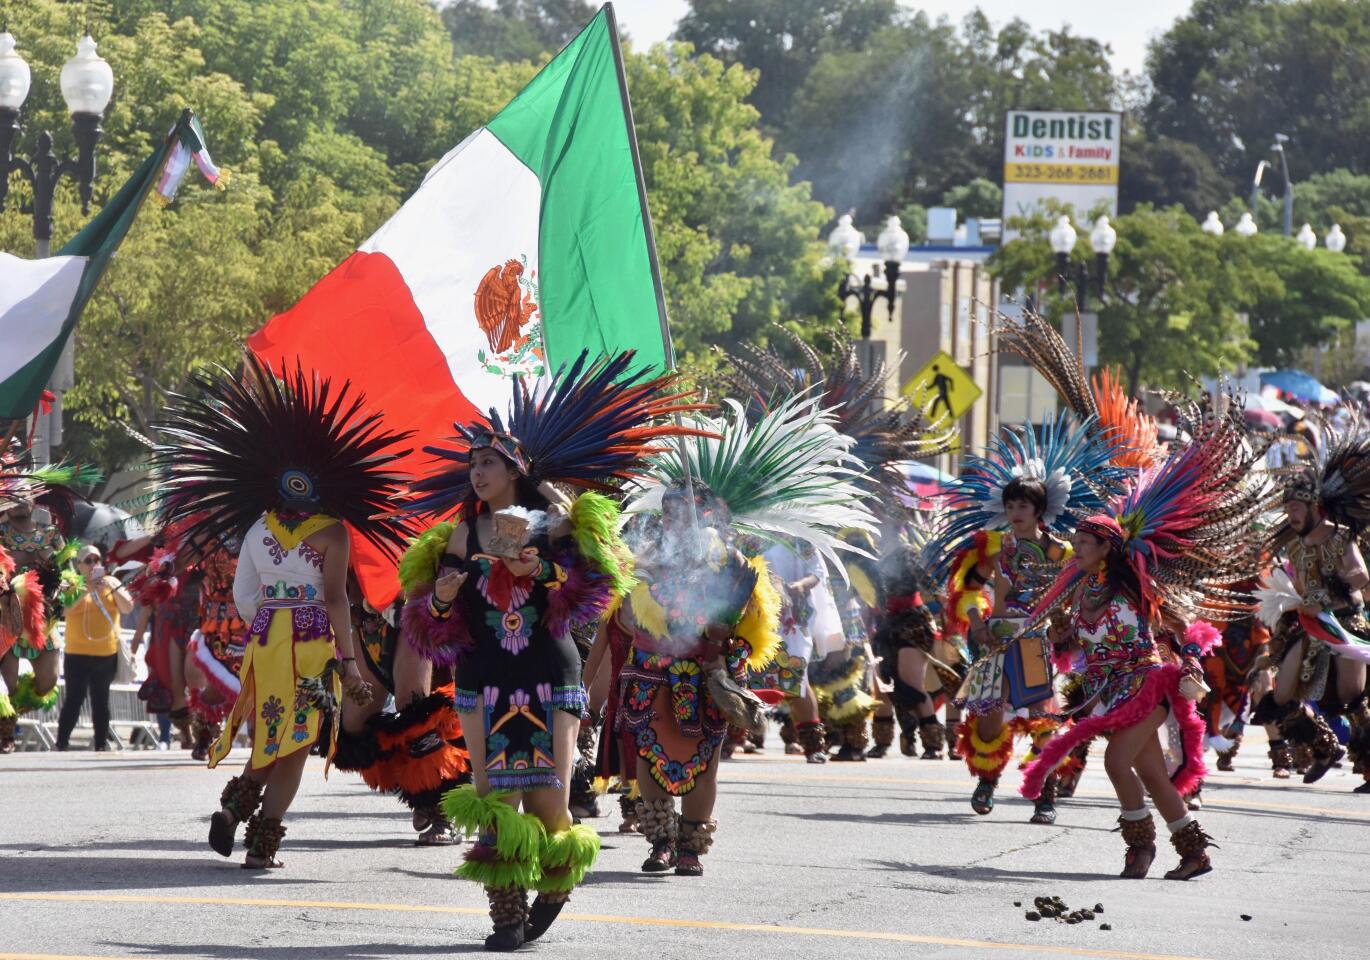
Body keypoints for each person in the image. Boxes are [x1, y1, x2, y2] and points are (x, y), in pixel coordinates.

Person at [401, 352, 699, 952]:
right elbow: (435, 623)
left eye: (487, 463)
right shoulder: (460, 534)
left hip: (545, 673)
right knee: (492, 798)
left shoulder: (558, 523)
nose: (476, 474)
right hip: (483, 675)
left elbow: (596, 593)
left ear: (514, 470)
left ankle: (557, 886)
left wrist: (542, 566)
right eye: (472, 465)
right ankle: (506, 914)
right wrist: (440, 597)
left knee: (548, 799)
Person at [152, 354, 412, 869]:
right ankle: (259, 842)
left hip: (268, 639)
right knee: (297, 742)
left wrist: (269, 625)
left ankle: (235, 807)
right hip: (314, 640)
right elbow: (337, 599)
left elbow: (246, 597)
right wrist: (351, 663)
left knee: (273, 730)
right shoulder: (333, 531)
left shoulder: (257, 528)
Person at [1019, 398, 1267, 880]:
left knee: (1116, 761)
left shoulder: (1136, 585)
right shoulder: (1082, 588)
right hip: (1107, 689)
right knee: (1152, 773)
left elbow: (1186, 626)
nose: (1078, 548)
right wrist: (1053, 635)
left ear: (1106, 549)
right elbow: (1073, 639)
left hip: (1146, 682)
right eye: (1077, 542)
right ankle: (1193, 854)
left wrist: (1192, 657)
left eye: (1086, 543)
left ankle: (1141, 848)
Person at [928, 415, 1127, 823]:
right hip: (995, 640)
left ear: (1040, 512)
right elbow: (965, 590)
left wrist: (1064, 626)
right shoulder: (992, 547)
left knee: (1041, 715)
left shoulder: (1063, 554)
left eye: (1022, 505)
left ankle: (1045, 792)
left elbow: (1080, 597)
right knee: (987, 716)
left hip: (1036, 642)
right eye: (1010, 505)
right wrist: (977, 621)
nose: (1014, 511)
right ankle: (987, 779)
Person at [1254, 447, 1370, 792]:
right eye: (1287, 508)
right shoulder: (1294, 547)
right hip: (1310, 626)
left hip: (1346, 625)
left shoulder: (1340, 535)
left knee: (1352, 697)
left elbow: (1360, 576)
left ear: (1314, 507)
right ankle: (1322, 747)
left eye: (1295, 507)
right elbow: (1303, 589)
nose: (1290, 514)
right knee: (1280, 695)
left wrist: (1329, 592)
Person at [56, 544, 135, 750]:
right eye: (88, 561)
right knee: (74, 698)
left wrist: (111, 588)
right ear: (79, 565)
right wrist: (86, 591)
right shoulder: (72, 584)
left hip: (105, 653)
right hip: (77, 652)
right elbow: (64, 610)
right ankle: (62, 741)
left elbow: (128, 607)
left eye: (97, 560)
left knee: (101, 699)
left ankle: (101, 742)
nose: (93, 565)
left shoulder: (112, 582)